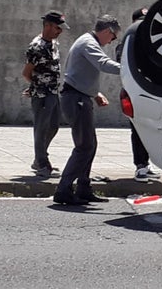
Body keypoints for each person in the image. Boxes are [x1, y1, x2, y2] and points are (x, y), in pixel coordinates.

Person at [53, 15, 122, 205]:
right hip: (76, 99)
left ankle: (83, 188)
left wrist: (95, 93)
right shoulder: (88, 43)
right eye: (114, 37)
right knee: (84, 146)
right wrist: (129, 69)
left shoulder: (88, 42)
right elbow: (103, 63)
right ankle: (63, 189)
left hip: (80, 97)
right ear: (108, 31)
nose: (112, 41)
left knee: (90, 145)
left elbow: (78, 72)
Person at [114, 7, 162, 183]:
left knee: (152, 129)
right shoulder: (127, 43)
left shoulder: (154, 43)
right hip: (134, 92)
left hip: (152, 92)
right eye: (140, 21)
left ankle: (147, 164)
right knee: (138, 129)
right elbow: (122, 64)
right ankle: (140, 166)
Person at [22, 11, 69, 178]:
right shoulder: (37, 47)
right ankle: (42, 164)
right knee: (41, 129)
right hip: (42, 95)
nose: (60, 31)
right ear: (47, 26)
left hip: (53, 92)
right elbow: (27, 72)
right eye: (57, 28)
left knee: (54, 126)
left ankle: (39, 158)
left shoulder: (53, 43)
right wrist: (35, 87)